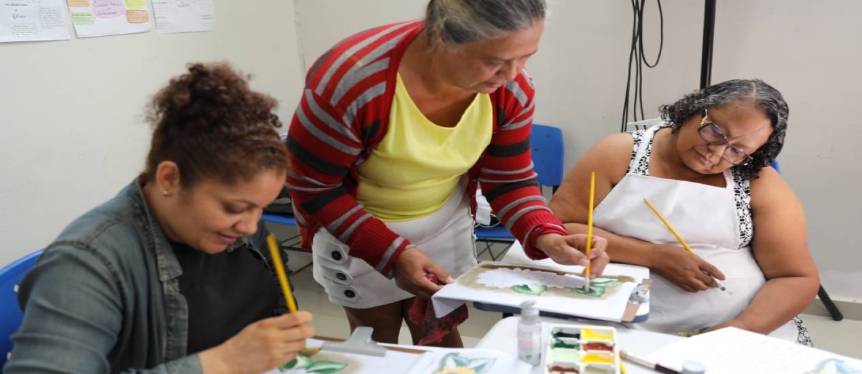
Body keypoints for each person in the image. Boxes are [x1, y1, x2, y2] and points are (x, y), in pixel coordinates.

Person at [285, 0, 609, 347]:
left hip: (443, 222)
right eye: (494, 61)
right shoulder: (353, 82)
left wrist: (547, 234)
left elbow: (509, 180)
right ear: (439, 36)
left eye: (526, 56)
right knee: (377, 343)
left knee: (440, 337)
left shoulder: (511, 90)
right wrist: (392, 254)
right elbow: (313, 187)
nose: (513, 75)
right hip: (356, 227)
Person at [5, 63, 315, 374]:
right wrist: (220, 363)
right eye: (235, 208)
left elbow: (273, 293)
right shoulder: (84, 265)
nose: (250, 225)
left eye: (261, 207)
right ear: (169, 179)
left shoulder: (237, 222)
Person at [549, 79, 818, 345]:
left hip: (736, 327)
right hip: (616, 317)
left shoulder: (759, 181)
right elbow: (558, 227)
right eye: (714, 131)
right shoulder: (619, 152)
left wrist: (741, 329)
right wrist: (652, 256)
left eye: (737, 151)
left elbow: (795, 277)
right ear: (693, 110)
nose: (716, 152)